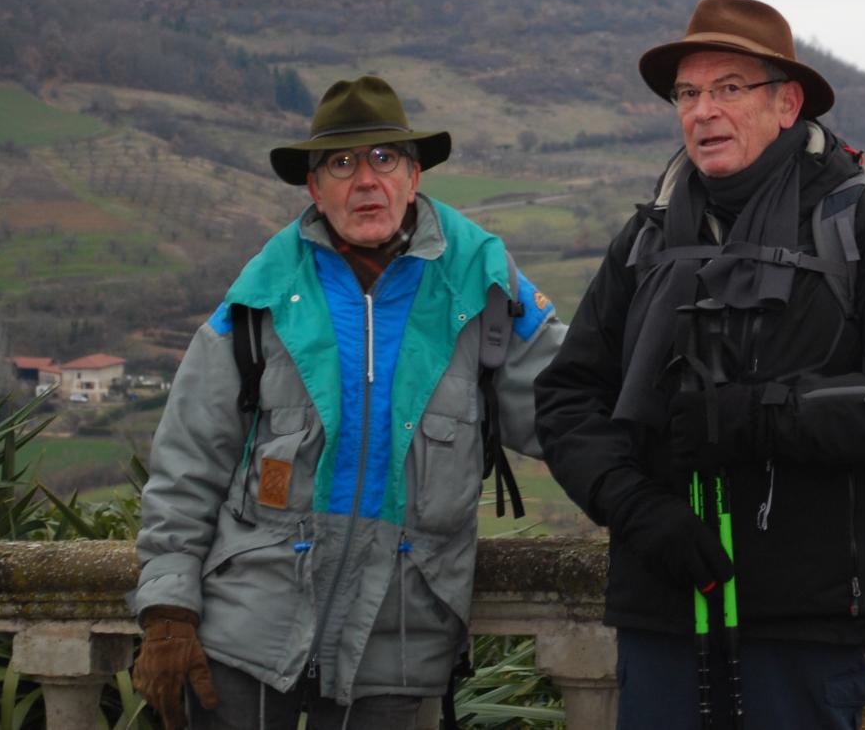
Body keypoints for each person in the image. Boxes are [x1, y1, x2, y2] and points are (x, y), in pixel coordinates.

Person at [535, 0, 865, 728]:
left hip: (807, 629)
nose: (704, 111)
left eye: (729, 88)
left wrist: (761, 415)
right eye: (689, 93)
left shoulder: (862, 225)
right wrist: (638, 509)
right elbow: (568, 398)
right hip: (662, 614)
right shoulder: (645, 237)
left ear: (787, 102)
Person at [130, 76, 564, 728]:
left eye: (385, 158)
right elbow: (186, 463)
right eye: (343, 162)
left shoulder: (484, 283)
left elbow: (574, 411)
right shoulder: (262, 294)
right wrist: (167, 609)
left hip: (395, 650)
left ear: (415, 175)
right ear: (315, 187)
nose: (367, 180)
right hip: (245, 646)